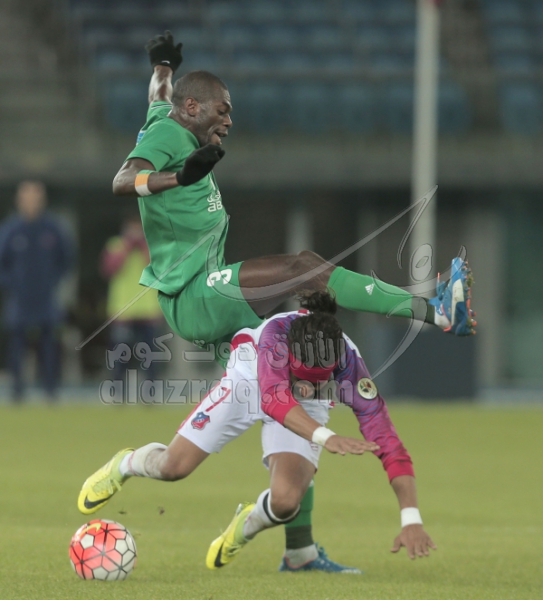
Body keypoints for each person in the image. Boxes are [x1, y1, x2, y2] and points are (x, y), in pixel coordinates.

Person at [105, 31, 472, 571]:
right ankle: (433, 309)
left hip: (213, 298)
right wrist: (177, 177)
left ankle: (298, 550)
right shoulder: (168, 138)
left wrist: (162, 64)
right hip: (191, 293)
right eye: (223, 110)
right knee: (304, 268)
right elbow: (122, 180)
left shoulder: (167, 115)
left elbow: (159, 98)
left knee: (300, 371)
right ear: (194, 107)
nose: (229, 120)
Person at [78, 291, 436, 573]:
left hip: (299, 407)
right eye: (303, 379)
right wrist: (326, 437)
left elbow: (387, 440)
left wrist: (411, 517)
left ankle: (246, 526)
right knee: (173, 467)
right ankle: (125, 464)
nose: (308, 388)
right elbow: (275, 400)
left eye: (318, 381)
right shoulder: (275, 340)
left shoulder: (348, 363)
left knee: (286, 502)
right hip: (248, 383)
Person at [0, 180, 74, 401]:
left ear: (42, 200)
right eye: (27, 198)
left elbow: (66, 260)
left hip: (46, 297)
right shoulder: (10, 229)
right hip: (19, 298)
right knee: (17, 345)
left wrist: (52, 281)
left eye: (35, 197)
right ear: (19, 200)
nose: (31, 202)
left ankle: (50, 390)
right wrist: (12, 284)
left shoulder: (53, 228)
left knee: (49, 344)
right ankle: (17, 391)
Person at [101, 211, 163, 383]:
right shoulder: (115, 245)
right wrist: (128, 247)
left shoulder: (152, 246)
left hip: (148, 309)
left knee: (149, 353)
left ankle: (150, 388)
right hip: (123, 309)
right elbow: (109, 269)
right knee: (120, 352)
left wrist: (142, 246)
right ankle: (117, 387)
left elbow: (160, 269)